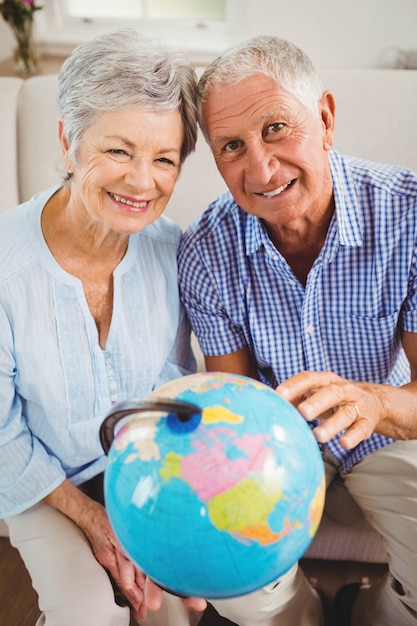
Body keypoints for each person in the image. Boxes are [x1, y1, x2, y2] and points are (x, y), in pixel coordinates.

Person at [175, 35, 417, 626]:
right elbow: (240, 407)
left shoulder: (409, 216)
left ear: (326, 118)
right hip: (275, 442)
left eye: (276, 128)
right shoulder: (206, 252)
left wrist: (371, 401)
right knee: (231, 579)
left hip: (386, 432)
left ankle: (369, 613)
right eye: (232, 146)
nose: (260, 168)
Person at [0, 28, 206, 626]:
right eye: (118, 151)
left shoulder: (174, 251)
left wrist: (142, 503)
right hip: (40, 477)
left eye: (164, 159)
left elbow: (172, 382)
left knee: (179, 604)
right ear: (68, 142)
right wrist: (93, 518)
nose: (143, 182)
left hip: (137, 465)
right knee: (92, 614)